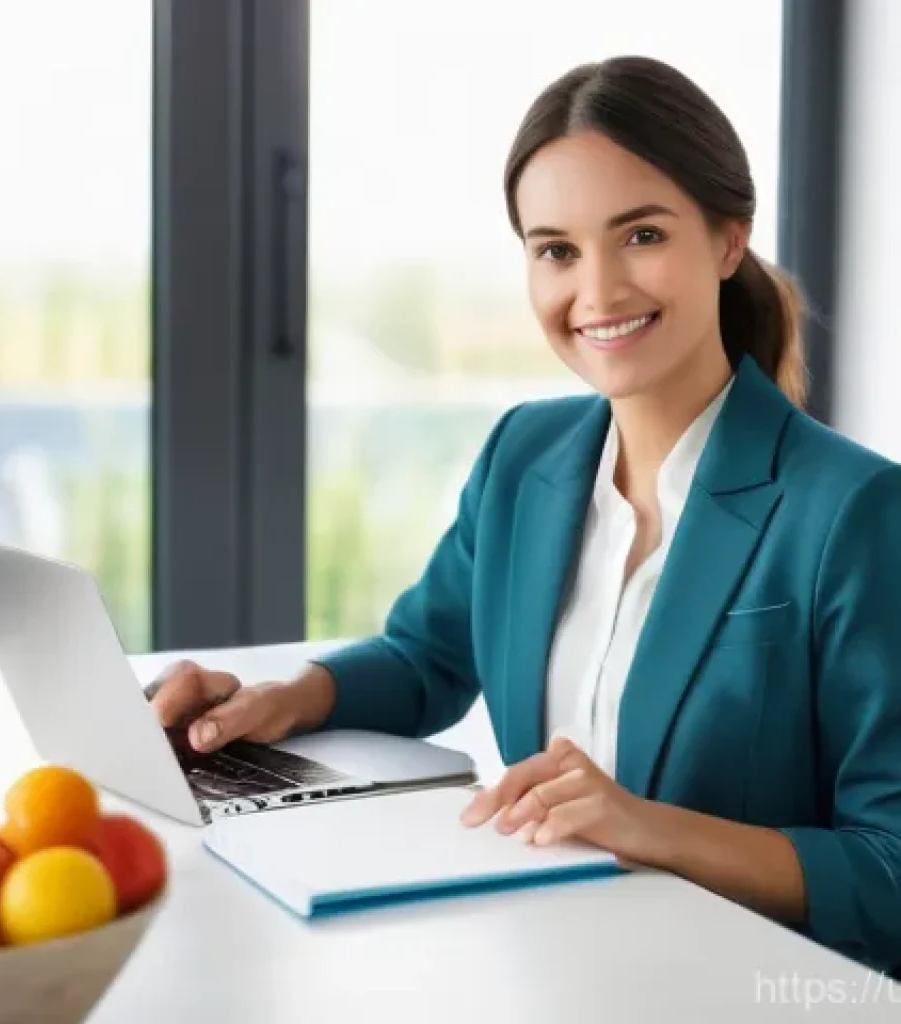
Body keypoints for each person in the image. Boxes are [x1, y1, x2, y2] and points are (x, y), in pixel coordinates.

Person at [150, 56, 901, 975]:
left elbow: (890, 865)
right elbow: (427, 658)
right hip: (555, 961)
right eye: (557, 250)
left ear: (728, 239)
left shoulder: (854, 511)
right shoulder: (526, 458)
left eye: (641, 235)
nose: (599, 293)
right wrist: (283, 700)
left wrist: (647, 829)